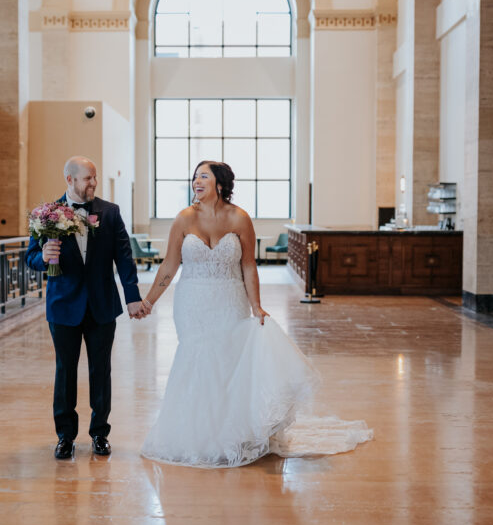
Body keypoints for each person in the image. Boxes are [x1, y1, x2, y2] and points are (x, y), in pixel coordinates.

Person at [139, 161, 372, 467]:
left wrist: (256, 305)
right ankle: (198, 436)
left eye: (203, 176)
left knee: (229, 365)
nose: (196, 181)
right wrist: (150, 301)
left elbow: (248, 265)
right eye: (195, 176)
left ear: (220, 184)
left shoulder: (240, 218)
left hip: (230, 299)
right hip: (192, 303)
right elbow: (169, 265)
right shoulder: (183, 219)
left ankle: (232, 435)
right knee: (197, 361)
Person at [26, 156, 148, 460]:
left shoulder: (110, 212)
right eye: (86, 179)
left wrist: (132, 295)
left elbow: (123, 257)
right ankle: (65, 436)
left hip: (102, 305)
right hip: (63, 306)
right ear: (69, 179)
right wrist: (44, 256)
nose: (92, 183)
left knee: (100, 370)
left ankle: (99, 434)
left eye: (94, 178)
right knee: (65, 371)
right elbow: (30, 258)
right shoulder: (46, 214)